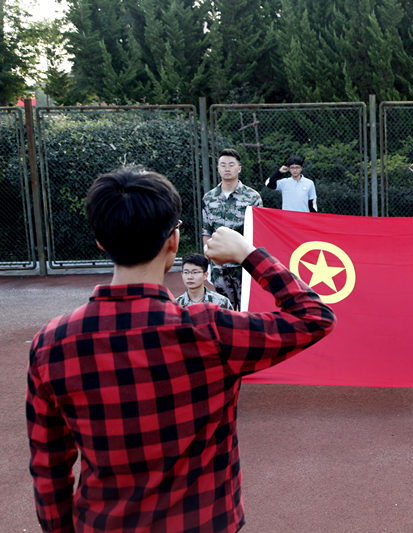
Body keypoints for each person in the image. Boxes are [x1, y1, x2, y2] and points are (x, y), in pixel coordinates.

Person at [26, 167, 336, 532]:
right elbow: (314, 316)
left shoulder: (51, 344)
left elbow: (49, 468)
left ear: (100, 242)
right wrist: (248, 253)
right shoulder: (210, 330)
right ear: (173, 241)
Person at [202, 148, 263, 310]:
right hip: (219, 266)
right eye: (223, 165)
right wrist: (208, 259)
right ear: (218, 168)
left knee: (247, 309)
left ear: (239, 168)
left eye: (231, 164)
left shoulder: (253, 197)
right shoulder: (209, 198)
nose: (227, 168)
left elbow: (258, 232)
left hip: (244, 264)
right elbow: (206, 231)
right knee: (224, 311)